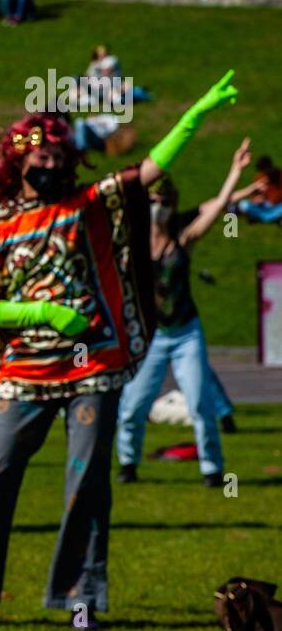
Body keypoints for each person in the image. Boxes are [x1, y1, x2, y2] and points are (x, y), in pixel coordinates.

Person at [0, 71, 241, 631]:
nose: (49, 166)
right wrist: (41, 313)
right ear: (16, 161)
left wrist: (193, 116)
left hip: (92, 366)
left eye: (57, 157)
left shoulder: (87, 204)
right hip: (23, 371)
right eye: (39, 157)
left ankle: (81, 601)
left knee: (88, 485)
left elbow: (147, 172)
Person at [115, 139, 253, 486]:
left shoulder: (183, 240)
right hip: (150, 337)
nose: (158, 207)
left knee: (200, 406)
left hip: (186, 333)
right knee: (132, 407)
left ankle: (213, 470)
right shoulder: (132, 243)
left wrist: (236, 172)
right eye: (153, 201)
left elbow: (216, 207)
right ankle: (127, 465)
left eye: (163, 201)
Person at [230, 154, 282, 224]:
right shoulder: (259, 178)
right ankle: (268, 217)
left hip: (278, 206)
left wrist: (272, 200)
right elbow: (254, 197)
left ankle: (263, 217)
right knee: (244, 204)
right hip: (263, 205)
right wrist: (257, 199)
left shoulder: (279, 175)